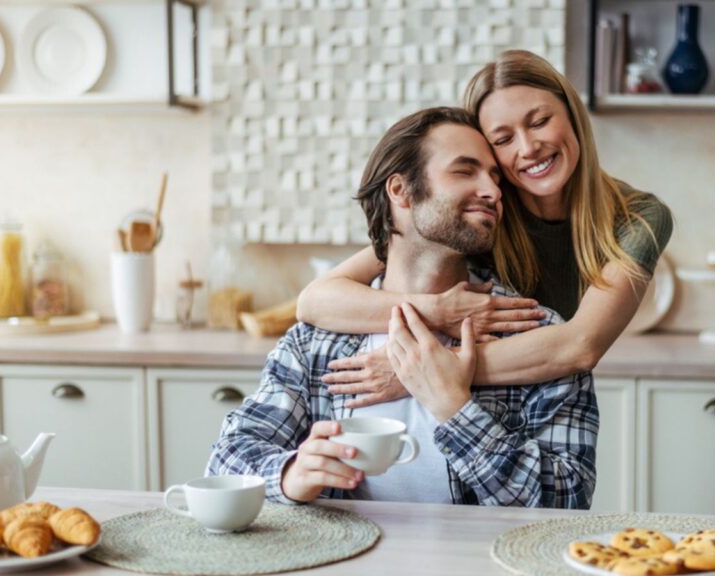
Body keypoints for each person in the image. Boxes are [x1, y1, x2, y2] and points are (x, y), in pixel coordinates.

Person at [207, 107, 598, 509]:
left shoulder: (535, 333)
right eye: (465, 171)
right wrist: (291, 473)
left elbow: (568, 499)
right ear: (401, 191)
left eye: (495, 177)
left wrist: (456, 411)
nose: (494, 192)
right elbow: (225, 463)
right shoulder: (317, 343)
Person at [296, 50, 673, 407]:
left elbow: (580, 346)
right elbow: (315, 300)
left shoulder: (637, 217)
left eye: (540, 121)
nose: (528, 148)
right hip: (486, 397)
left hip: (545, 391)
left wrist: (422, 370)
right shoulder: (483, 213)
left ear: (573, 116)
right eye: (503, 139)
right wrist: (436, 312)